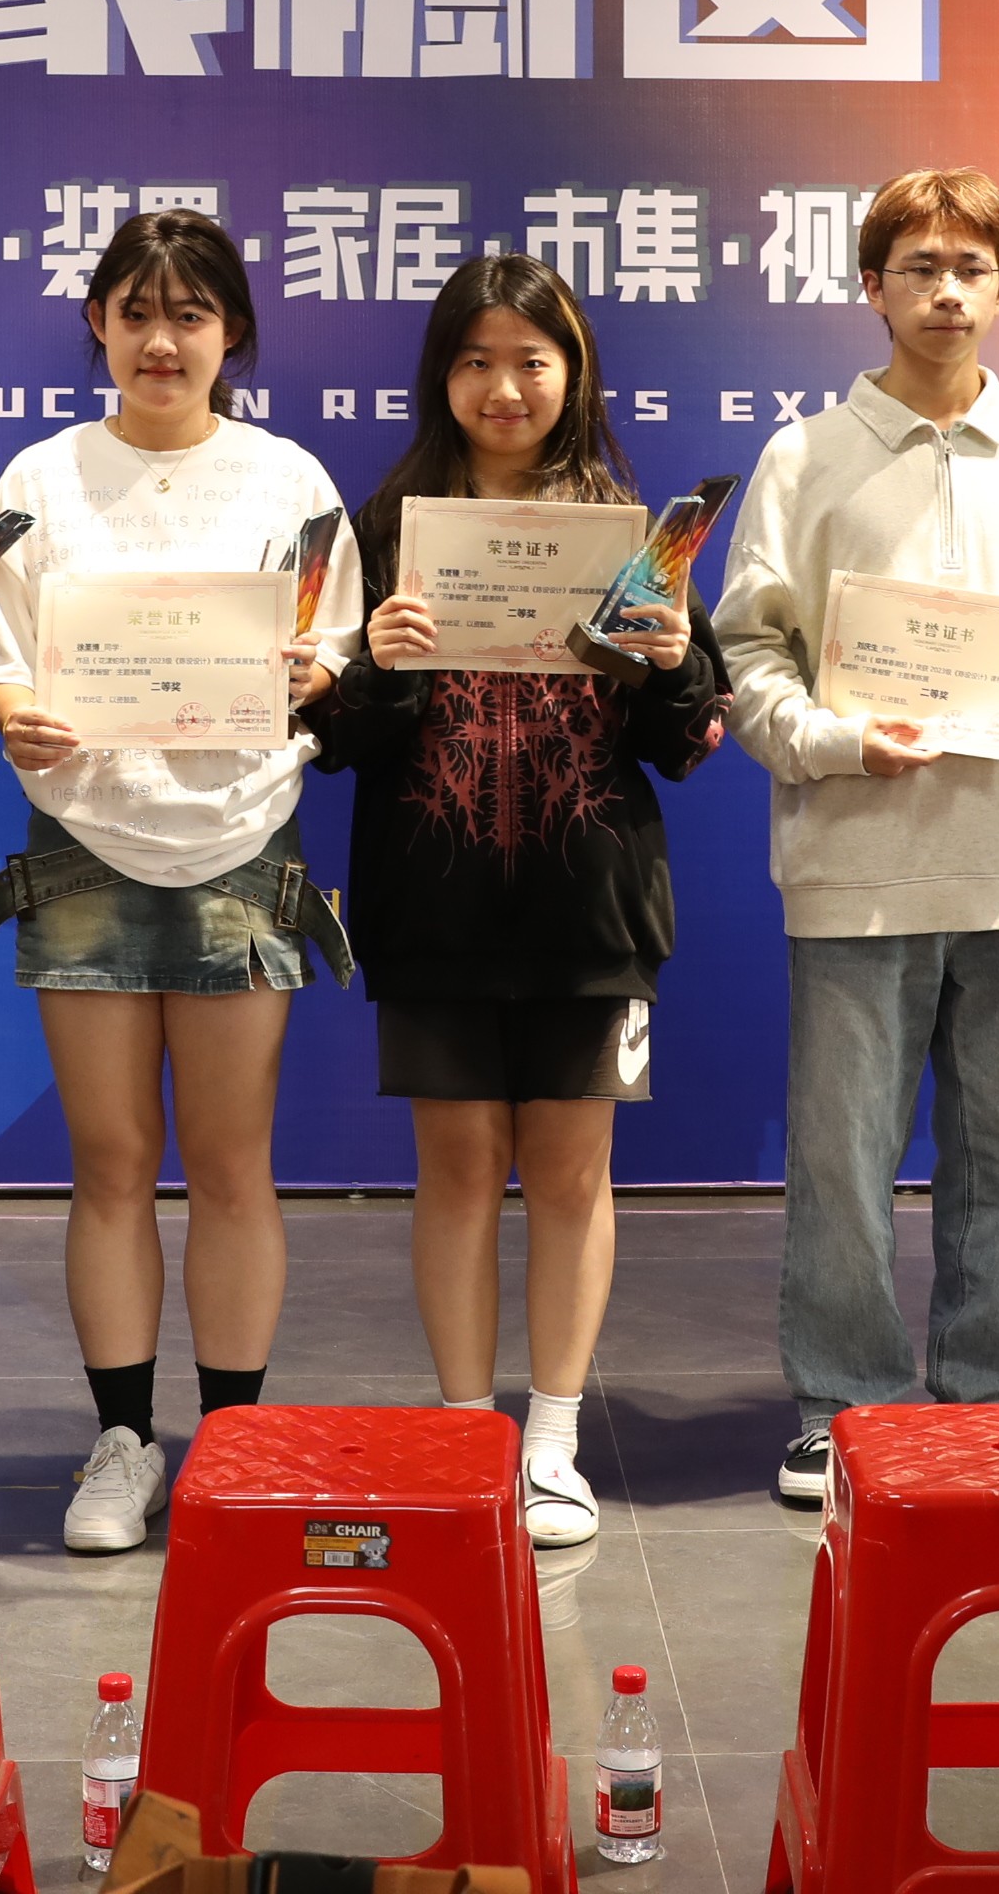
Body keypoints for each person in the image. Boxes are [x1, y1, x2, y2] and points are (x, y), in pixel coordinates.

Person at [712, 165, 999, 1511]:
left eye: (971, 268)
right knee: (843, 1164)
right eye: (920, 267)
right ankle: (841, 1405)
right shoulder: (805, 458)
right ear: (871, 286)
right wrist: (834, 740)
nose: (947, 292)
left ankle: (987, 1404)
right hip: (856, 864)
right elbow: (748, 651)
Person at [0, 210, 364, 1555]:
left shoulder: (288, 480)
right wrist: (15, 715)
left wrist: (315, 671)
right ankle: (123, 1442)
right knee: (111, 1160)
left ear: (230, 332)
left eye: (189, 315)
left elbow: (333, 641)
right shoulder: (43, 475)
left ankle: (235, 1443)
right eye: (135, 313)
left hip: (241, 843)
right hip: (85, 843)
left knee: (234, 1162)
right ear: (97, 324)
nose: (161, 341)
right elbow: (1, 650)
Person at [318, 255, 726, 1549]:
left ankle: (550, 1440)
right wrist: (375, 668)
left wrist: (670, 665)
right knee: (454, 1170)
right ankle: (461, 1432)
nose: (505, 387)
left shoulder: (631, 534)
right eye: (477, 360)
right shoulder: (387, 529)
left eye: (532, 361)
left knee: (569, 1172)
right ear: (442, 376)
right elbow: (330, 738)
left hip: (590, 916)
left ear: (574, 374)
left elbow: (687, 738)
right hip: (431, 913)